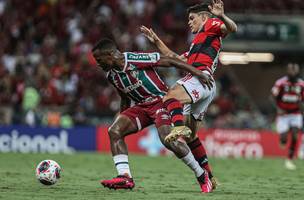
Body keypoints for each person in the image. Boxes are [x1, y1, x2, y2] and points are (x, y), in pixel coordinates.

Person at [92, 38, 215, 193]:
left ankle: (201, 174)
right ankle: (125, 177)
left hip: (160, 101)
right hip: (141, 107)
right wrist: (123, 118)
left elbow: (169, 61)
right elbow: (124, 97)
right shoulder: (111, 76)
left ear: (110, 54)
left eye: (99, 59)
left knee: (168, 140)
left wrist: (197, 72)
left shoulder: (133, 58)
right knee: (114, 131)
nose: (98, 63)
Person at [140, 0, 237, 187]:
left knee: (169, 97)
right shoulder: (196, 44)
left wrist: (221, 15)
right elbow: (175, 59)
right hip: (207, 86)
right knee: (191, 137)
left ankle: (178, 127)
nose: (189, 22)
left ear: (203, 17)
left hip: (200, 79)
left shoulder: (211, 24)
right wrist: (156, 40)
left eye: (192, 18)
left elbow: (232, 28)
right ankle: (210, 177)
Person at [271, 63, 304, 170]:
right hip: (283, 114)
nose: (293, 72)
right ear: (287, 71)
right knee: (284, 139)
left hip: (296, 114)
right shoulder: (280, 83)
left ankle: (289, 159)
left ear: (298, 71)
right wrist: (278, 108)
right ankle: (282, 139)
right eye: (291, 70)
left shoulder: (301, 85)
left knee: (295, 135)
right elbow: (272, 97)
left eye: (295, 70)